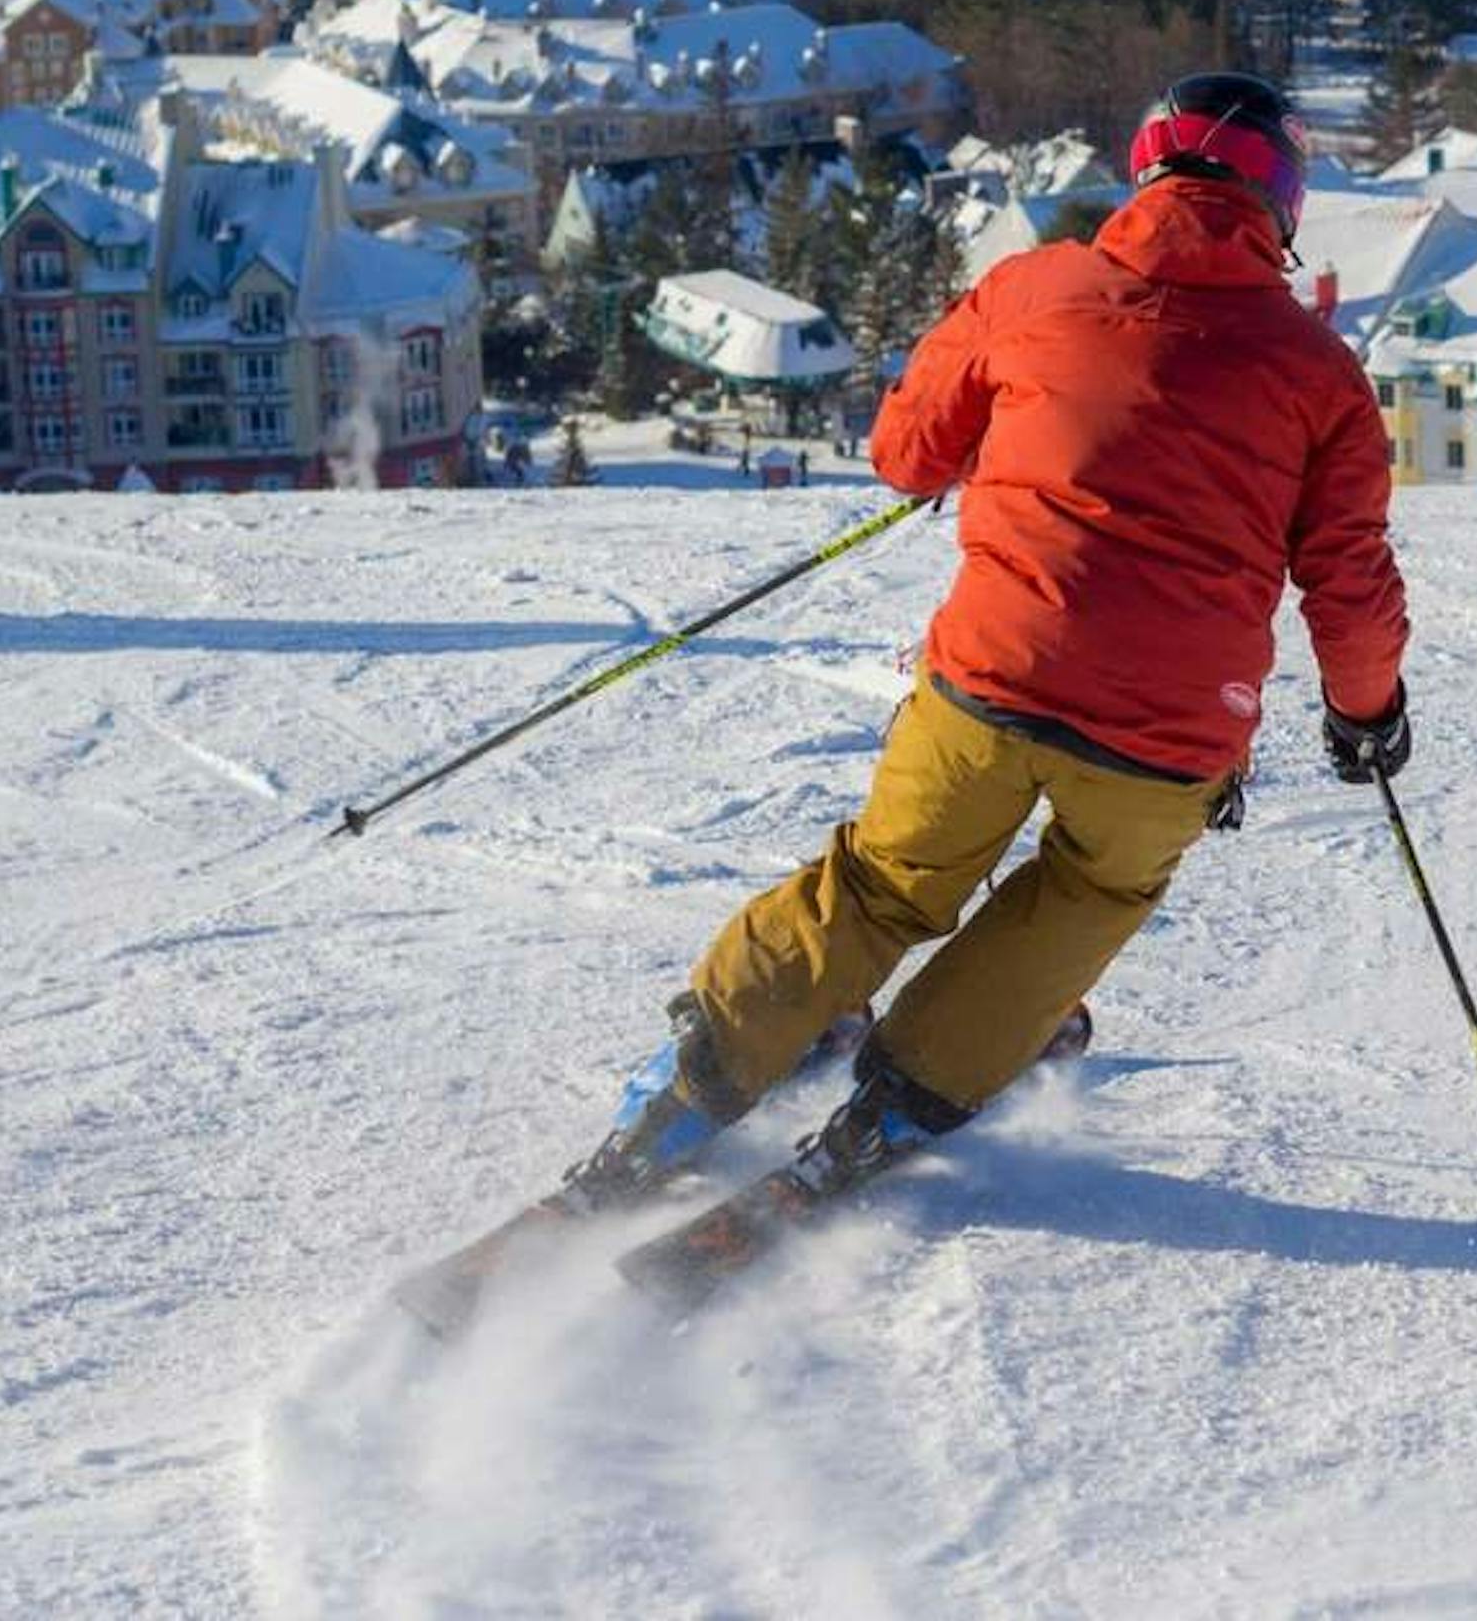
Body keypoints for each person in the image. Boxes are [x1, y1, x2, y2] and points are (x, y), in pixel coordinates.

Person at [568, 70, 1412, 1204]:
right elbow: (1347, 579)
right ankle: (907, 1095)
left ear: (1145, 164)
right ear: (1283, 200)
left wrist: (998, 437)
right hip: (1168, 736)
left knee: (883, 884)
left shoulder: (1036, 287)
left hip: (992, 680)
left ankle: (697, 1079)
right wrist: (1367, 713)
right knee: (1084, 899)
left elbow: (906, 448)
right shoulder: (1322, 375)